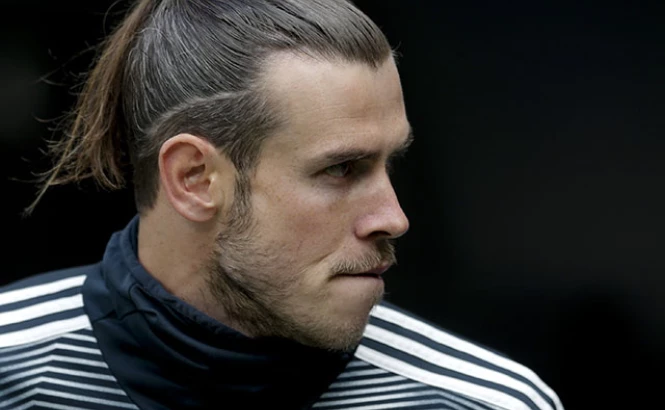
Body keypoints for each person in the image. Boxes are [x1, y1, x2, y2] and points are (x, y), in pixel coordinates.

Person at [0, 1, 564, 409]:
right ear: (194, 179)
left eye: (389, 164)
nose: (394, 218)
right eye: (341, 169)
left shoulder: (483, 401)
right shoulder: (13, 368)